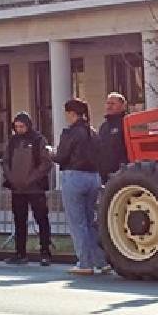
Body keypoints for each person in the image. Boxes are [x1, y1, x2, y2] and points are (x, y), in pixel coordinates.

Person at [53, 98, 109, 275]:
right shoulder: (93, 132)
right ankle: (101, 261)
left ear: (72, 113)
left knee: (77, 223)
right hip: (93, 177)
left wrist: (50, 153)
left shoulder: (70, 132)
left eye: (67, 114)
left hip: (74, 176)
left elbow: (61, 156)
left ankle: (84, 262)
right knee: (89, 221)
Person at [2, 113, 53, 266]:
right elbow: (5, 162)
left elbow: (45, 163)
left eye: (21, 126)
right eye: (16, 127)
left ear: (28, 125)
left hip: (35, 188)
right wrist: (11, 178)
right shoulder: (12, 142)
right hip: (17, 189)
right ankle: (20, 253)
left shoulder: (38, 140)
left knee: (42, 220)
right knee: (19, 221)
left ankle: (45, 253)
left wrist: (31, 179)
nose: (19, 129)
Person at [96, 92, 129, 183]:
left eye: (113, 104)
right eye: (108, 103)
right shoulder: (104, 126)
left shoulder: (127, 123)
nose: (109, 106)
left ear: (123, 106)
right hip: (105, 176)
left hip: (123, 174)